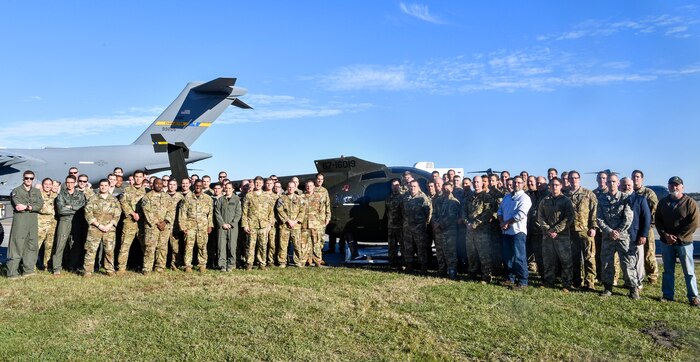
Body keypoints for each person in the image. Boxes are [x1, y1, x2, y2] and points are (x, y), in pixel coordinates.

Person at [655, 176, 700, 307]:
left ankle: (693, 296)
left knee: (689, 271)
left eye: (677, 185)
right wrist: (665, 235)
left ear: (682, 187)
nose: (674, 187)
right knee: (668, 270)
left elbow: (694, 223)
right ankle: (668, 295)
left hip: (684, 243)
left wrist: (678, 237)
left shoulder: (690, 202)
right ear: (668, 186)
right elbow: (658, 220)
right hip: (666, 242)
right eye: (671, 185)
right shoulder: (663, 202)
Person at [597, 174, 639, 299]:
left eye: (614, 181)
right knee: (606, 263)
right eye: (609, 182)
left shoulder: (626, 198)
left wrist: (618, 231)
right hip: (608, 237)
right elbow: (599, 218)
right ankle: (607, 288)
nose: (611, 184)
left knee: (627, 263)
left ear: (618, 184)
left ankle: (633, 288)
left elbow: (628, 217)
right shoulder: (602, 198)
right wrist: (609, 231)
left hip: (623, 237)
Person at [538, 177, 575, 291]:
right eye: (552, 185)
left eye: (556, 185)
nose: (554, 187)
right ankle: (549, 281)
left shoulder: (566, 201)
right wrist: (548, 229)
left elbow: (569, 217)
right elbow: (540, 216)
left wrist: (556, 229)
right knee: (548, 259)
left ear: (560, 186)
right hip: (547, 235)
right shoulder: (545, 201)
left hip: (562, 235)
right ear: (549, 186)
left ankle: (566, 283)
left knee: (565, 261)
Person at [6, 170, 44, 279]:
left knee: (32, 245)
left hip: (32, 221)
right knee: (16, 245)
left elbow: (40, 204)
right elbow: (18, 206)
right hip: (20, 221)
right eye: (26, 178)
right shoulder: (16, 191)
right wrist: (32, 206)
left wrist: (27, 207)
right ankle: (12, 272)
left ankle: (28, 270)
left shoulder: (36, 192)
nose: (28, 180)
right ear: (23, 178)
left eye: (31, 178)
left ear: (33, 179)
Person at [497, 176, 532, 289]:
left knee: (519, 257)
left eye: (518, 182)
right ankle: (510, 278)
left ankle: (522, 281)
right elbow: (500, 210)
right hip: (506, 232)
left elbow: (520, 214)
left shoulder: (525, 198)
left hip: (518, 232)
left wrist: (507, 223)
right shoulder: (507, 197)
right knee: (507, 257)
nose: (516, 184)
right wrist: (502, 222)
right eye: (514, 182)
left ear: (523, 184)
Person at [566, 170, 598, 290]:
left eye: (575, 178)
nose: (573, 180)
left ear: (579, 179)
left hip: (586, 231)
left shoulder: (588, 194)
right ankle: (577, 281)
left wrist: (593, 227)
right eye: (571, 178)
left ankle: (590, 282)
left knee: (589, 257)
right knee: (574, 258)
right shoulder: (565, 195)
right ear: (568, 180)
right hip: (571, 231)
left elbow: (594, 211)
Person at [82, 179, 121, 277]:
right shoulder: (93, 198)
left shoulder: (114, 199)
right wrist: (98, 225)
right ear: (99, 187)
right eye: (102, 185)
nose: (103, 187)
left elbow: (117, 214)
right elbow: (88, 213)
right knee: (91, 250)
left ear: (109, 186)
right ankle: (88, 271)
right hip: (95, 228)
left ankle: (109, 270)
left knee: (109, 250)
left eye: (105, 185)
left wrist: (110, 225)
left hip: (109, 229)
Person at [52, 175, 87, 276]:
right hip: (65, 221)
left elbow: (83, 207)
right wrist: (74, 209)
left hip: (76, 222)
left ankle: (73, 266)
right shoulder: (61, 195)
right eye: (68, 182)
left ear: (75, 183)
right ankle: (56, 268)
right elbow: (61, 210)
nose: (70, 184)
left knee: (75, 245)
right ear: (65, 183)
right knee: (60, 244)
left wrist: (70, 206)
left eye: (72, 182)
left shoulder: (80, 195)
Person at [463, 176, 496, 283]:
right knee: (471, 253)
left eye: (478, 182)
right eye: (475, 182)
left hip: (482, 231)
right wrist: (467, 223)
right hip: (469, 231)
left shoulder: (487, 197)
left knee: (484, 254)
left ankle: (486, 276)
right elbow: (463, 212)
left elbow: (488, 213)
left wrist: (475, 224)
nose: (476, 184)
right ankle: (472, 273)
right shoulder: (469, 197)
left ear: (482, 183)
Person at [620, 177, 651, 289]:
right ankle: (628, 281)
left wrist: (643, 234)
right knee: (625, 260)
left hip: (635, 235)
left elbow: (646, 218)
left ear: (632, 186)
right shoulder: (618, 199)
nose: (626, 187)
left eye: (628, 185)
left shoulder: (640, 199)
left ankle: (638, 282)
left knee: (637, 260)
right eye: (624, 185)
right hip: (621, 236)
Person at [631, 170, 659, 284]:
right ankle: (636, 274)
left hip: (646, 228)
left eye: (637, 177)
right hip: (633, 228)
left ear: (642, 179)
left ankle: (652, 276)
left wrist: (649, 226)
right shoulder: (629, 191)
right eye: (634, 177)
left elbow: (654, 211)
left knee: (649, 253)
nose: (635, 179)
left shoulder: (648, 193)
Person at [179, 180, 213, 272]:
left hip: (203, 226)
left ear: (202, 187)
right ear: (194, 186)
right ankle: (188, 265)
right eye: (196, 185)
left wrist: (210, 225)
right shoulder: (187, 198)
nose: (198, 187)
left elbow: (210, 214)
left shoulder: (208, 198)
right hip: (190, 226)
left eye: (200, 186)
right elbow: (182, 214)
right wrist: (183, 227)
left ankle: (202, 264)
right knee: (188, 246)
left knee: (202, 246)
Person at [117, 170, 147, 275]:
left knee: (145, 245)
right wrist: (132, 213)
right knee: (125, 245)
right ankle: (121, 268)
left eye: (140, 177)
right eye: (136, 177)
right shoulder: (126, 190)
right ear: (133, 178)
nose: (138, 178)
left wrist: (141, 214)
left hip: (143, 223)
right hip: (129, 221)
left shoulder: (147, 191)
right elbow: (123, 202)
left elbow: (150, 206)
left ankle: (146, 267)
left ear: (144, 178)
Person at [141, 179, 174, 274]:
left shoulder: (167, 197)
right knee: (150, 248)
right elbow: (146, 211)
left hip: (165, 227)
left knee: (162, 248)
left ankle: (160, 268)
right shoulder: (147, 197)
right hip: (152, 227)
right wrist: (157, 223)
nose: (159, 185)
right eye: (156, 183)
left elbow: (171, 211)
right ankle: (147, 269)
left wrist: (165, 222)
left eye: (160, 184)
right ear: (153, 185)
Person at [242, 177, 275, 270]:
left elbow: (271, 212)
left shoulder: (267, 196)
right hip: (252, 224)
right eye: (256, 182)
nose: (258, 184)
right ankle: (249, 263)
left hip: (264, 225)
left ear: (263, 184)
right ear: (254, 183)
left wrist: (270, 224)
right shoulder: (249, 196)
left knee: (263, 245)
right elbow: (244, 211)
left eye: (260, 182)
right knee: (250, 245)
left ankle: (262, 263)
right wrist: (245, 225)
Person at [432, 182, 461, 279]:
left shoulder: (454, 201)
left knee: (451, 253)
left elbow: (451, 217)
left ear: (452, 189)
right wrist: (435, 223)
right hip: (439, 231)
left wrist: (440, 224)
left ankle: (452, 272)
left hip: (450, 231)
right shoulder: (438, 200)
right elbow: (434, 213)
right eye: (444, 189)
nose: (446, 191)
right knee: (440, 252)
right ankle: (442, 271)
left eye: (448, 189)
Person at [401, 180, 432, 273]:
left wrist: (423, 224)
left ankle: (423, 268)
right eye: (411, 186)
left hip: (419, 228)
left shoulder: (423, 198)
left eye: (414, 186)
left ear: (418, 187)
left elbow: (428, 213)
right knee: (408, 248)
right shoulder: (406, 198)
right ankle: (409, 266)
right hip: (407, 228)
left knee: (421, 248)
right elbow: (403, 211)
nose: (412, 188)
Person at [276, 180, 306, 267]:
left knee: (297, 244)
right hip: (285, 225)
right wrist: (288, 220)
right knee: (283, 245)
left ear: (295, 188)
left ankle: (297, 261)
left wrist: (295, 221)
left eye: (292, 187)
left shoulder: (299, 199)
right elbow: (279, 210)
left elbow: (302, 211)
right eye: (289, 187)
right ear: (286, 187)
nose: (290, 189)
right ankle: (282, 262)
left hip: (296, 225)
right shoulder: (281, 198)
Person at [214, 182, 242, 271]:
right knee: (221, 246)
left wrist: (232, 224)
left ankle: (231, 264)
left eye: (230, 188)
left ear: (233, 189)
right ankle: (222, 265)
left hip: (232, 227)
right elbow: (217, 212)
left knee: (232, 246)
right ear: (224, 189)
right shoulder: (220, 200)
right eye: (226, 188)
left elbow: (238, 213)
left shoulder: (237, 199)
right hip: (222, 227)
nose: (228, 190)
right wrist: (222, 223)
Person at [302, 179, 329, 267]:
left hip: (316, 224)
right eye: (307, 186)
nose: (309, 187)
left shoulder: (319, 197)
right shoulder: (301, 197)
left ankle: (317, 261)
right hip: (305, 224)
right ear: (305, 187)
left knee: (316, 243)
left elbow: (323, 209)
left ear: (314, 187)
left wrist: (323, 220)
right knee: (305, 243)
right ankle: (307, 260)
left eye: (310, 186)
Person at [37, 178, 57, 270]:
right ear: (42, 185)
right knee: (37, 245)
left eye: (50, 184)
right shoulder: (39, 195)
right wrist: (50, 210)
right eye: (46, 184)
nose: (48, 186)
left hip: (52, 224)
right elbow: (38, 207)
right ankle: (31, 265)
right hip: (41, 223)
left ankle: (47, 265)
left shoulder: (55, 195)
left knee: (49, 245)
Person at [384, 178, 404, 268]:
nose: (395, 187)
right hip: (391, 226)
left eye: (397, 185)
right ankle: (393, 264)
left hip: (401, 226)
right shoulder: (388, 197)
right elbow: (387, 211)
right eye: (393, 185)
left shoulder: (403, 197)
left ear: (399, 186)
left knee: (403, 246)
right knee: (392, 247)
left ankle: (404, 263)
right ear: (391, 187)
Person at [165, 179, 184, 270]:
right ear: (167, 185)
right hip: (164, 225)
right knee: (162, 247)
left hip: (176, 226)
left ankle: (174, 264)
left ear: (176, 186)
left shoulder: (181, 197)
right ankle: (161, 265)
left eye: (174, 185)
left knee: (175, 247)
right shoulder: (163, 196)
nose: (172, 186)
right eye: (170, 184)